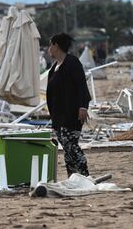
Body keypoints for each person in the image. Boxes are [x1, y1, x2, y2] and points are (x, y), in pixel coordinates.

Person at [46, 33, 91, 177]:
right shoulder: (54, 67)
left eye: (50, 45)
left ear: (56, 46)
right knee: (66, 147)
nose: (49, 49)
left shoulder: (72, 63)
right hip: (58, 116)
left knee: (71, 145)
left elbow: (82, 86)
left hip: (72, 113)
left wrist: (83, 107)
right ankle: (72, 176)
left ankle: (84, 175)